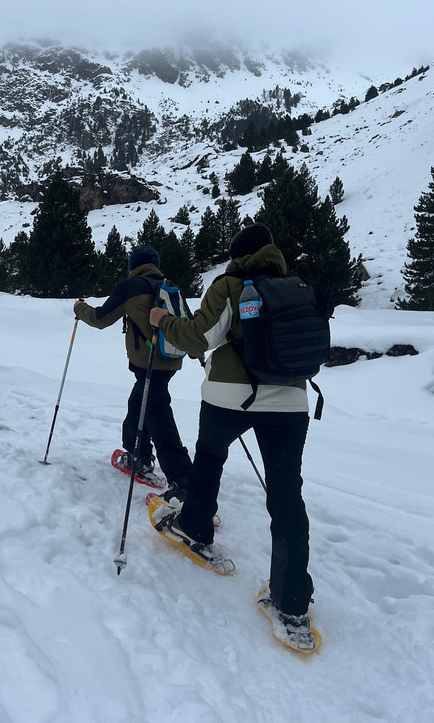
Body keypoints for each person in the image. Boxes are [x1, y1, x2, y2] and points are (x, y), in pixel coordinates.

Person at [148, 222, 315, 632]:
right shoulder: (296, 287)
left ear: (239, 255)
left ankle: (195, 526)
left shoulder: (230, 285)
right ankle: (292, 599)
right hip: (291, 401)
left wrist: (163, 320)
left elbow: (198, 337)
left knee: (209, 459)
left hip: (229, 397)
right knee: (287, 494)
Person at [73, 245, 191, 492]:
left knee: (158, 414)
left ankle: (184, 481)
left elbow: (100, 319)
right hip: (171, 359)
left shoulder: (131, 286)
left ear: (133, 266)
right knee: (139, 403)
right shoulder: (170, 286)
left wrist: (79, 308)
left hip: (149, 362)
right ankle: (138, 455)